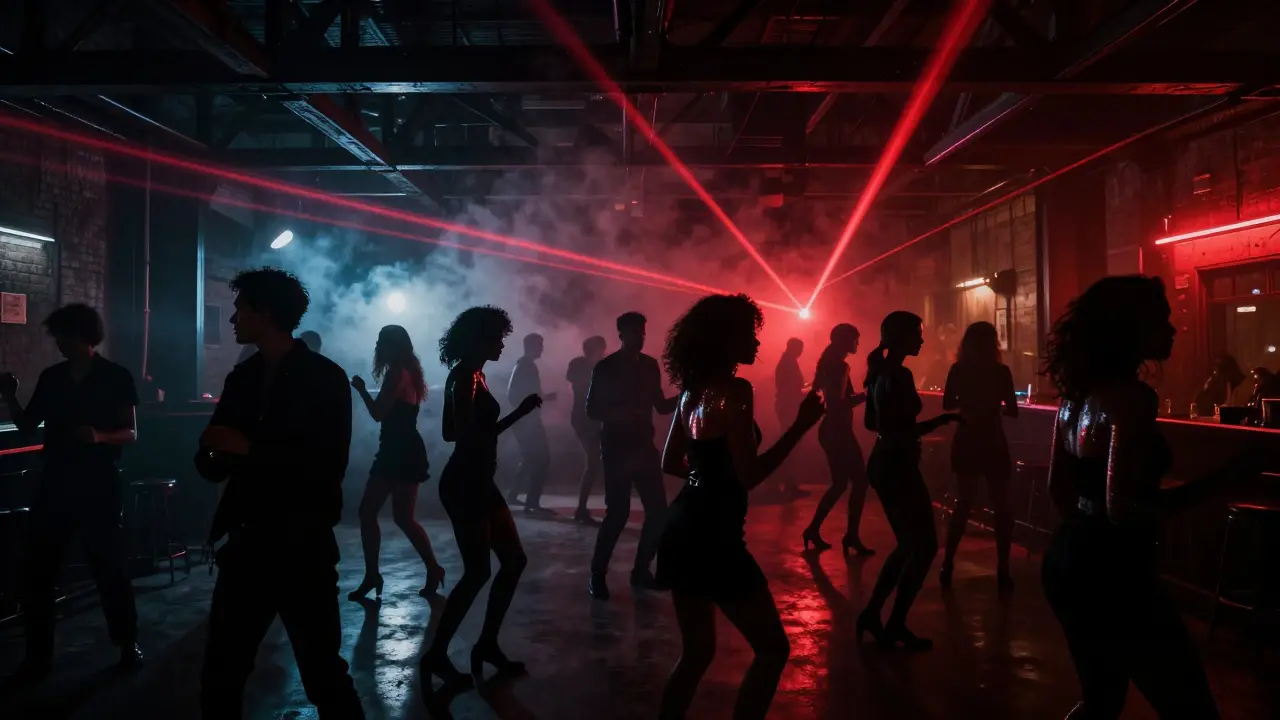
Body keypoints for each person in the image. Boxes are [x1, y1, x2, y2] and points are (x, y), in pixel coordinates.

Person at [1041, 275, 1260, 719]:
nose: (1173, 327)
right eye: (1162, 318)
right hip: (1117, 578)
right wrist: (1224, 478)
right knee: (1192, 709)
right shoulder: (1132, 399)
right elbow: (1124, 512)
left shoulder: (1075, 396)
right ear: (1131, 328)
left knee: (1100, 701)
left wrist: (1085, 542)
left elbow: (1057, 489)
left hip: (1067, 562)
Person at [194, 268, 363, 718]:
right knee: (221, 672)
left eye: (240, 308)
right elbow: (215, 454)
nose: (232, 318)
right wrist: (212, 455)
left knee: (322, 674)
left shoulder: (325, 378)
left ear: (264, 313)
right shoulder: (243, 377)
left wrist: (247, 448)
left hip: (302, 544)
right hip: (248, 542)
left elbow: (327, 465)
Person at [655, 294, 824, 720]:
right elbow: (748, 475)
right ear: (724, 339)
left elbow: (669, 462)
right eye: (748, 334)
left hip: (681, 526)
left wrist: (703, 477)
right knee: (772, 649)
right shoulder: (735, 390)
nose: (755, 344)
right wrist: (801, 426)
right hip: (715, 534)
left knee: (697, 653)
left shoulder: (691, 391)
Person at [0, 304, 141, 680]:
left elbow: (131, 433)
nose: (58, 342)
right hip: (57, 480)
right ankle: (38, 654)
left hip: (97, 481)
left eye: (62, 335)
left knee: (109, 567)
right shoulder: (53, 377)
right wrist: (10, 395)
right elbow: (29, 426)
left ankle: (128, 643)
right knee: (40, 571)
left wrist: (99, 436)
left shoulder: (115, 377)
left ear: (81, 335)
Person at [421, 306, 541, 692]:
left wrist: (505, 419)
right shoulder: (464, 378)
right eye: (497, 338)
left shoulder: (473, 375)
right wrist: (518, 415)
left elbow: (453, 432)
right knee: (479, 572)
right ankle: (438, 655)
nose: (502, 345)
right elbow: (461, 435)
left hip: (476, 481)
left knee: (513, 561)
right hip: (466, 483)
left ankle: (486, 644)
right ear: (480, 339)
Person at [857, 311, 960, 651]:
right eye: (917, 334)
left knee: (909, 544)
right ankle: (892, 620)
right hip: (898, 464)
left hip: (884, 461)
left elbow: (874, 425)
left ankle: (876, 615)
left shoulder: (878, 373)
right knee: (924, 545)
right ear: (899, 338)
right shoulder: (898, 375)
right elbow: (900, 430)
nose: (922, 340)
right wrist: (937, 423)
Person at [586, 311, 679, 600]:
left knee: (658, 512)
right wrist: (622, 413)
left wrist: (686, 395)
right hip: (616, 447)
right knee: (618, 513)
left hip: (642, 446)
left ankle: (640, 572)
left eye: (642, 332)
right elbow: (592, 409)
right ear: (621, 335)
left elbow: (661, 406)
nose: (640, 337)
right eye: (635, 333)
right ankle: (598, 574)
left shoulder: (650, 366)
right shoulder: (606, 367)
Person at [349, 324, 445, 601]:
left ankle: (373, 575)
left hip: (397, 450)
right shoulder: (409, 372)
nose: (378, 347)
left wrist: (361, 390)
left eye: (382, 342)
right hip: (403, 449)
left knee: (370, 512)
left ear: (393, 346)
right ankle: (431, 568)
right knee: (401, 517)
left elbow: (379, 413)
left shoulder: (396, 374)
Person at [940, 321, 1018, 591]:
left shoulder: (958, 370)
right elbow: (1013, 409)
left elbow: (948, 403)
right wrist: (995, 408)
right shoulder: (1001, 371)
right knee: (1002, 506)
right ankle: (1003, 567)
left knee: (964, 502)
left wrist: (969, 406)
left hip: (967, 437)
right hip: (993, 439)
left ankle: (947, 562)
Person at [802, 324, 873, 556]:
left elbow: (832, 399)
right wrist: (867, 395)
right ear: (846, 341)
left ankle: (814, 529)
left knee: (841, 483)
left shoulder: (828, 363)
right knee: (860, 482)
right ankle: (850, 535)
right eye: (855, 339)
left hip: (831, 430)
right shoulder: (841, 366)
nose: (858, 344)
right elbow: (839, 402)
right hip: (839, 431)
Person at [507, 333, 556, 514]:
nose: (542, 349)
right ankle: (532, 503)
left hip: (524, 420)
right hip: (528, 422)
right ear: (532, 346)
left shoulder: (522, 365)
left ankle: (515, 495)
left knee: (529, 458)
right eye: (540, 345)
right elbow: (518, 395)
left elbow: (520, 394)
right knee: (543, 459)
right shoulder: (526, 366)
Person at [567, 335, 607, 524]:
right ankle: (581, 508)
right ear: (598, 349)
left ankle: (583, 507)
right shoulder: (580, 365)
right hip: (584, 419)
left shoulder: (593, 367)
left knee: (595, 461)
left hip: (591, 418)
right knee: (593, 462)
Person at [772, 338, 809, 501]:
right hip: (788, 407)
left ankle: (788, 484)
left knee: (790, 446)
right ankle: (787, 484)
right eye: (800, 348)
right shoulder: (788, 363)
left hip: (786, 406)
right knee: (790, 446)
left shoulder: (787, 361)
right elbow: (791, 388)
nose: (801, 352)